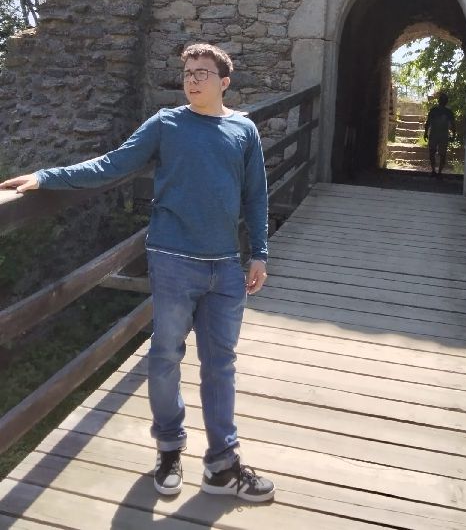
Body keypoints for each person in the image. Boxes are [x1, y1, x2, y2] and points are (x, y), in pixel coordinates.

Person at [0, 42, 275, 502]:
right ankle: (169, 451)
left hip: (226, 266)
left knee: (220, 366)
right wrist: (47, 177)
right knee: (165, 357)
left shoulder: (243, 129)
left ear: (224, 82)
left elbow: (256, 195)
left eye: (202, 73)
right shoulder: (166, 124)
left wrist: (260, 253)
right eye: (187, 73)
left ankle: (222, 466)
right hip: (172, 259)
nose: (192, 80)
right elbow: (113, 164)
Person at [424, 91, 456, 179]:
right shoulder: (447, 112)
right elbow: (453, 125)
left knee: (434, 153)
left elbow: (428, 123)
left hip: (437, 134)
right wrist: (453, 135)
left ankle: (435, 171)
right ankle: (437, 172)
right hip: (441, 135)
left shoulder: (435, 111)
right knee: (440, 154)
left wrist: (425, 133)